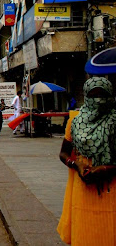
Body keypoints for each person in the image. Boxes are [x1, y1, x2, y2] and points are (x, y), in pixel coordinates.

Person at [57, 77, 116, 245]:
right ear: (86, 96)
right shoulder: (75, 121)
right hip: (83, 188)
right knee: (84, 233)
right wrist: (77, 165)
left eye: (102, 95)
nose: (98, 100)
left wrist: (105, 169)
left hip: (112, 189)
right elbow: (63, 153)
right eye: (93, 95)